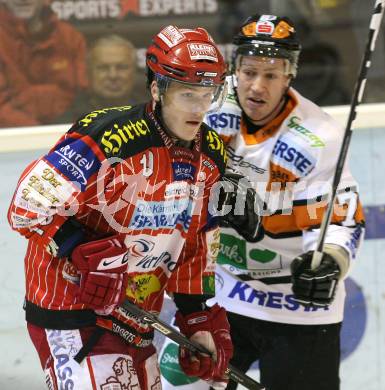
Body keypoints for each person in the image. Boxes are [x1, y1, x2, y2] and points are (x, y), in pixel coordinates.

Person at [7, 25, 233, 389]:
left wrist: (196, 317)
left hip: (138, 317)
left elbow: (197, 242)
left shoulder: (213, 156)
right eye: (187, 94)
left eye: (208, 94)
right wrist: (76, 247)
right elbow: (26, 204)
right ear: (158, 89)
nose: (199, 107)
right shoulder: (108, 136)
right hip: (72, 309)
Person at [161, 14, 365, 390]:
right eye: (249, 71)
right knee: (178, 385)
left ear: (290, 76)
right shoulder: (203, 109)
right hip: (218, 291)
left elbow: (342, 217)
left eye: (271, 75)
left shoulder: (318, 136)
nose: (257, 86)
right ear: (234, 69)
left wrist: (330, 263)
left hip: (295, 305)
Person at [0, 0, 87, 128]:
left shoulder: (70, 38)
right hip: (12, 139)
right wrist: (38, 134)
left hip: (68, 134)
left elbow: (82, 97)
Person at [59, 35, 138, 123]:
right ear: (88, 73)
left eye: (121, 67)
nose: (113, 75)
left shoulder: (152, 115)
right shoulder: (66, 123)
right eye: (103, 68)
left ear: (134, 71)